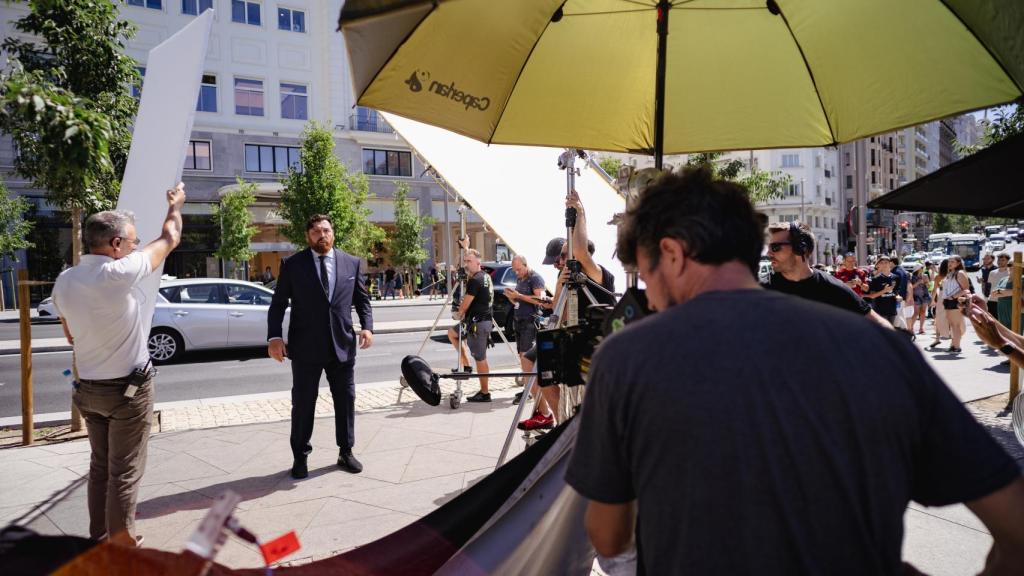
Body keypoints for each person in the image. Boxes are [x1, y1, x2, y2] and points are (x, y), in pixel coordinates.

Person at [565, 167, 1024, 575]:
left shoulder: (627, 358)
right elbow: (1017, 529)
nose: (652, 298)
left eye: (646, 277)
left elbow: (607, 537)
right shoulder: (879, 349)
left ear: (671, 253)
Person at [52, 183, 186, 547]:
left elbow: (70, 336)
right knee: (124, 473)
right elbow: (170, 236)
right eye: (131, 241)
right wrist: (176, 205)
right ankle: (123, 549)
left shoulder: (64, 282)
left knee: (99, 468)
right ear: (114, 245)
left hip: (88, 390)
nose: (134, 246)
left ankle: (99, 538)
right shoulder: (118, 272)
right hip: (128, 392)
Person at [267, 214, 374, 479]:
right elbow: (278, 304)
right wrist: (274, 338)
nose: (322, 235)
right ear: (308, 236)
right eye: (316, 232)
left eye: (326, 230)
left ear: (333, 233)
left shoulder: (352, 263)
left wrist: (368, 326)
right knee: (303, 403)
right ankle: (300, 456)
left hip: (343, 346)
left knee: (346, 401)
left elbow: (362, 300)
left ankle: (345, 451)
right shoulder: (292, 265)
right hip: (305, 349)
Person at [519, 190, 618, 431]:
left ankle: (583, 427)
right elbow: (560, 315)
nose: (560, 262)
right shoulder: (564, 278)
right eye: (561, 257)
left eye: (563, 256)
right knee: (543, 373)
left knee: (584, 393)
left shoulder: (598, 274)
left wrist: (580, 214)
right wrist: (561, 284)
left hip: (594, 342)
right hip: (570, 336)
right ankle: (562, 424)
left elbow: (580, 251)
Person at [764, 223, 892, 329]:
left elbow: (882, 326)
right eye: (768, 247)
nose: (769, 253)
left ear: (800, 249)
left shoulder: (833, 289)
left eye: (775, 247)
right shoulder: (761, 290)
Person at [446, 248, 493, 402]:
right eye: (465, 261)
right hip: (478, 321)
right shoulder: (485, 276)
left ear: (478, 262)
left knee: (481, 358)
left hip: (478, 323)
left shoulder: (476, 280)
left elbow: (465, 305)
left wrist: (459, 313)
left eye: (469, 261)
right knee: (452, 334)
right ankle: (466, 366)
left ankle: (485, 393)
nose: (466, 264)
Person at [502, 255, 546, 404]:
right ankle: (527, 388)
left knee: (525, 355)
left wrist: (519, 295)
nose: (517, 273)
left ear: (526, 265)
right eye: (514, 270)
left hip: (529, 320)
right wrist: (511, 296)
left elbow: (540, 300)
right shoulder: (521, 278)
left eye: (518, 269)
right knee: (521, 355)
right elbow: (519, 300)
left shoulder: (535, 278)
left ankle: (528, 391)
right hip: (519, 319)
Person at [935, 255, 969, 354]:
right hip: (947, 301)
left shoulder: (960, 273)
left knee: (956, 325)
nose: (950, 263)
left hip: (955, 301)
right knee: (952, 325)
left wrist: (953, 297)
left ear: (958, 263)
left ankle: (957, 347)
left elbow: (966, 289)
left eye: (953, 262)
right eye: (949, 261)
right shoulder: (951, 273)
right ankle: (953, 345)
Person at [865, 255, 899, 326]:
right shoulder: (875, 279)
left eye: (886, 262)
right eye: (882, 263)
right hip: (880, 310)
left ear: (890, 264)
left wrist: (898, 297)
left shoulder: (896, 277)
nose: (884, 264)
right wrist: (884, 291)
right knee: (884, 332)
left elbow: (896, 292)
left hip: (892, 310)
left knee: (891, 331)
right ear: (879, 264)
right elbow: (872, 296)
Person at [987, 252, 1011, 317]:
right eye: (999, 260)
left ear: (1008, 261)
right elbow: (990, 287)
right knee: (992, 323)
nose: (1000, 262)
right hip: (992, 301)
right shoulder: (992, 273)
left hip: (1004, 302)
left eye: (1003, 260)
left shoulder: (1010, 274)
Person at [909, 265, 931, 335]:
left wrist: (927, 282)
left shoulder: (925, 276)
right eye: (921, 268)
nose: (922, 269)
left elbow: (928, 286)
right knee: (916, 313)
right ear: (917, 269)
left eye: (922, 268)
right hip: (916, 296)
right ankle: (911, 328)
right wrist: (918, 282)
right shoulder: (912, 277)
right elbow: (910, 287)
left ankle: (921, 328)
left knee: (923, 312)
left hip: (924, 295)